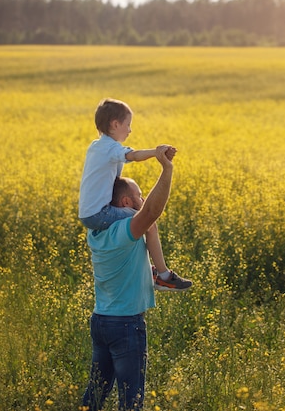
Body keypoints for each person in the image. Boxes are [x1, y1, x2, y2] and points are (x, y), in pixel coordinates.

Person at [82, 146, 177, 411]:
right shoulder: (123, 231)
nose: (143, 198)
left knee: (95, 396)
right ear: (125, 203)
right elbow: (151, 212)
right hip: (125, 325)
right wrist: (166, 169)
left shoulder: (97, 233)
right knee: (131, 401)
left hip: (101, 321)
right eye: (138, 195)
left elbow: (146, 216)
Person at [79, 98, 191, 291]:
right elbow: (134, 156)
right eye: (128, 125)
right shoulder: (111, 148)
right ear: (115, 124)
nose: (130, 130)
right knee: (149, 223)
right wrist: (156, 153)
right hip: (99, 214)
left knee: (137, 218)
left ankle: (154, 271)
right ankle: (163, 275)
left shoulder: (95, 146)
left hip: (88, 213)